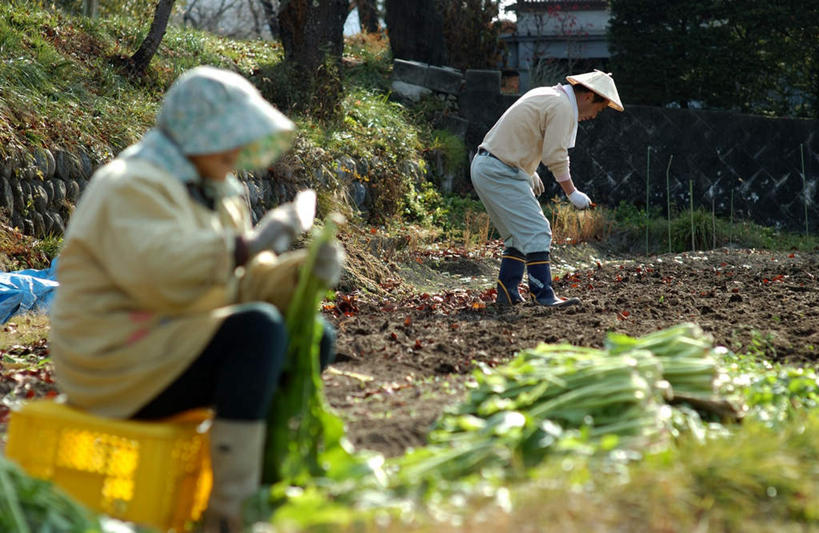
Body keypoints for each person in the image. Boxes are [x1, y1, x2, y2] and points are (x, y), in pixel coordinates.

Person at [49, 66, 345, 532]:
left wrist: (300, 275)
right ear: (196, 133)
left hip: (172, 341)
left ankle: (267, 480)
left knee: (310, 336)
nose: (238, 151)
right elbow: (160, 275)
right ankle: (230, 514)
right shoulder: (130, 183)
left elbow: (241, 282)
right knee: (257, 333)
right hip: (114, 358)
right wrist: (248, 246)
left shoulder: (217, 192)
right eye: (228, 137)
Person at [470, 70, 623, 307]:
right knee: (539, 231)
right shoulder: (562, 107)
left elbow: (521, 132)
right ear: (589, 97)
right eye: (599, 109)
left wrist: (528, 171)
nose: (594, 116)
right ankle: (543, 295)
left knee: (519, 236)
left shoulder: (548, 94)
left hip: (489, 166)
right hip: (500, 171)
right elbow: (556, 155)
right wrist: (572, 192)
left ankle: (507, 292)